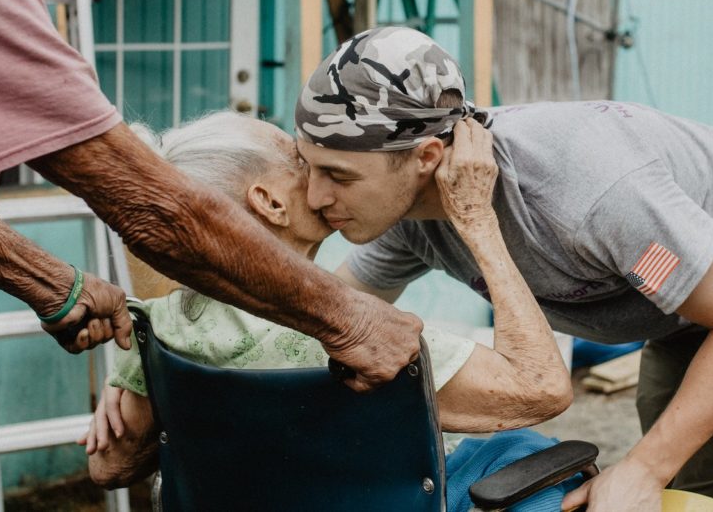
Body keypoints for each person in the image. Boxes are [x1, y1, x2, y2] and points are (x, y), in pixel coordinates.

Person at [293, 25, 713, 511]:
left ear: (426, 158)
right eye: (309, 168)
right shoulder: (408, 213)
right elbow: (336, 314)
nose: (317, 196)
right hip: (681, 299)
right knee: (675, 457)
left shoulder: (590, 194)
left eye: (339, 176)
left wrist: (644, 470)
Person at [0, 0, 421, 389]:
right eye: (301, 164)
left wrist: (42, 276)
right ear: (268, 200)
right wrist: (350, 322)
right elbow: (157, 210)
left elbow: (115, 460)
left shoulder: (164, 347)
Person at [80, 112, 575, 511]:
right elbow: (542, 388)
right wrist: (476, 218)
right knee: (540, 459)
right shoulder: (362, 339)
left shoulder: (161, 330)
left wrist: (137, 382)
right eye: (301, 162)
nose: (321, 179)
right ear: (270, 202)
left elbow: (110, 468)